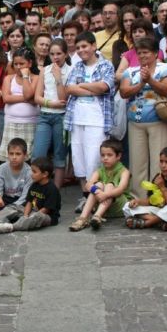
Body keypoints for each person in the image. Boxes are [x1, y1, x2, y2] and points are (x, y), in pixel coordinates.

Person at [64, 31, 115, 213]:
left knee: (95, 161)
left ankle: (97, 198)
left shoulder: (106, 65)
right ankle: (86, 197)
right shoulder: (76, 66)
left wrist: (82, 86)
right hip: (76, 120)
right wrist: (92, 88)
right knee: (80, 161)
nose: (81, 50)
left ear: (94, 46)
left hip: (97, 120)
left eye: (84, 46)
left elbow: (104, 87)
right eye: (78, 48)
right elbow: (69, 88)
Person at [119, 37, 167, 197]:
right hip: (135, 121)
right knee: (137, 163)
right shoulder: (130, 71)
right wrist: (142, 84)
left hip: (159, 120)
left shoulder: (165, 68)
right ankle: (139, 198)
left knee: (160, 161)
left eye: (146, 52)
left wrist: (150, 79)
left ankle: (157, 197)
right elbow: (124, 92)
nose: (143, 56)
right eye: (140, 53)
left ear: (156, 53)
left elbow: (166, 89)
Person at [69, 139, 131, 231]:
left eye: (109, 155)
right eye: (103, 155)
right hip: (101, 203)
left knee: (109, 186)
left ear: (118, 156)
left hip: (118, 206)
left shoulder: (124, 171)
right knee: (98, 184)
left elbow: (120, 189)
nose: (105, 158)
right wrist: (97, 191)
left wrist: (105, 194)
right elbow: (88, 185)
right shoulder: (100, 170)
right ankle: (83, 218)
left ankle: (97, 216)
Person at [33, 39, 71, 187]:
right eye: (52, 54)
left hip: (61, 116)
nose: (55, 57)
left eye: (59, 53)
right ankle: (37, 188)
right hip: (45, 115)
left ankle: (55, 190)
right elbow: (37, 97)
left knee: (59, 155)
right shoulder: (44, 70)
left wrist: (58, 78)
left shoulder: (70, 71)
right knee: (38, 153)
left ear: (66, 54)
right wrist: (50, 103)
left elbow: (64, 98)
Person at [123, 146, 167, 231]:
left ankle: (146, 223)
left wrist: (162, 187)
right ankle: (158, 221)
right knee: (127, 206)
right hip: (159, 210)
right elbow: (151, 201)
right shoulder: (158, 177)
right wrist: (137, 201)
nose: (163, 165)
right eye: (161, 162)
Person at [0, 157, 61, 234]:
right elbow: (29, 202)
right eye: (31, 171)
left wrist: (30, 217)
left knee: (37, 217)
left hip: (46, 216)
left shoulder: (52, 189)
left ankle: (12, 227)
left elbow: (46, 209)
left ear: (45, 174)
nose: (31, 174)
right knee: (14, 207)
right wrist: (25, 216)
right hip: (32, 212)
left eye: (34, 172)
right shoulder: (34, 184)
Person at [0, 48, 38, 162]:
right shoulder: (9, 78)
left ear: (30, 63)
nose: (19, 67)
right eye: (16, 64)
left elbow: (30, 94)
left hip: (30, 123)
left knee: (27, 156)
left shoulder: (36, 78)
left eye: (22, 64)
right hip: (11, 122)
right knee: (11, 156)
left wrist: (26, 77)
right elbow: (6, 98)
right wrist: (27, 99)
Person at [0, 138, 31, 214]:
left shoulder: (29, 171)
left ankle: (3, 213)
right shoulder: (2, 168)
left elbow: (26, 195)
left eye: (18, 154)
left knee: (29, 204)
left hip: (20, 200)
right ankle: (9, 213)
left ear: (25, 155)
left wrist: (13, 206)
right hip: (6, 198)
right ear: (8, 154)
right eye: (11, 153)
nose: (14, 157)